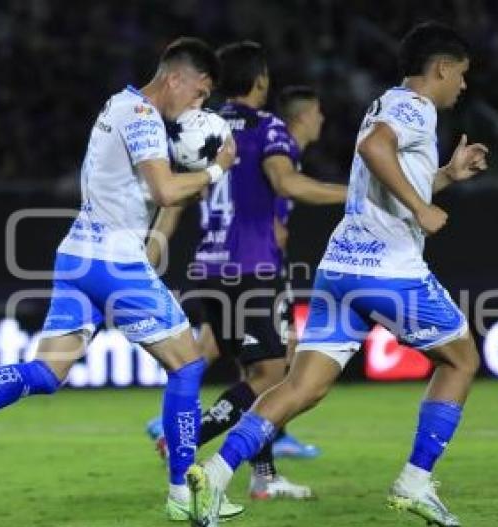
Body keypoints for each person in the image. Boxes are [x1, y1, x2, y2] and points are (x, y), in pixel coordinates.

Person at [0, 37, 246, 522]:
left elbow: (150, 190)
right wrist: (218, 168)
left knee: (47, 373)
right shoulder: (145, 118)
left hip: (76, 257)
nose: (200, 105)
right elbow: (166, 190)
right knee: (189, 366)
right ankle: (180, 494)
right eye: (200, 93)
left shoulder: (118, 103)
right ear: (177, 78)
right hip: (115, 262)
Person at [185, 22, 490, 527]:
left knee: (302, 387)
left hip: (340, 268)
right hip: (387, 268)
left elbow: (382, 173)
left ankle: (212, 475)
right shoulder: (416, 109)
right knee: (461, 360)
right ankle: (415, 481)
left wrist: (443, 175)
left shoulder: (386, 103)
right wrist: (424, 207)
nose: (462, 86)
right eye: (460, 75)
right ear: (440, 68)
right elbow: (376, 151)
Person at [146, 42, 347, 502]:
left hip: (208, 269)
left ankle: (264, 476)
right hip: (252, 270)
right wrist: (354, 194)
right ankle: (189, 439)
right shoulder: (268, 127)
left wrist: (153, 246)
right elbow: (283, 183)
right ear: (261, 81)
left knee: (253, 370)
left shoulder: (203, 127)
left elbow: (174, 199)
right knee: (273, 377)